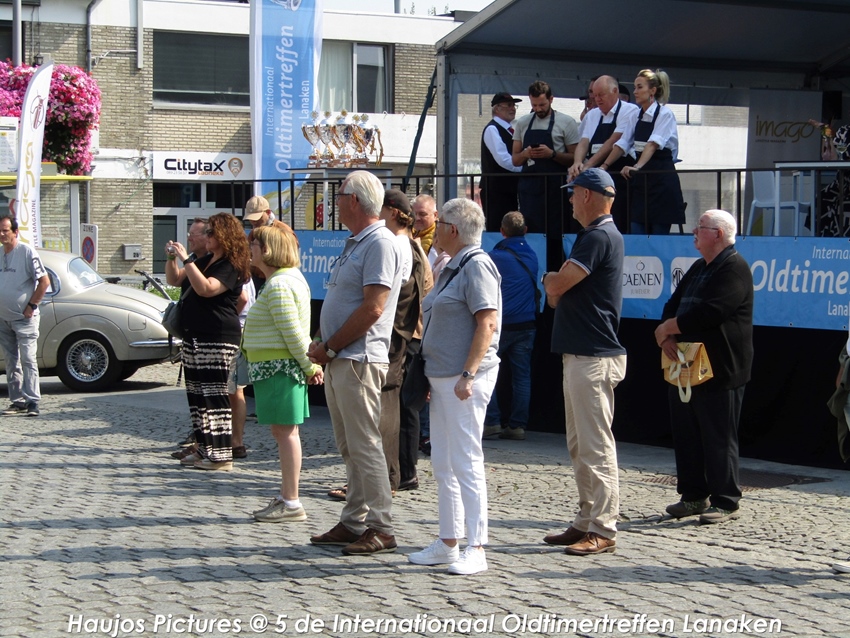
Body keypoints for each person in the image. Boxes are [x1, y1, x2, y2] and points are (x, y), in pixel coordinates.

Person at [307, 170, 403, 556]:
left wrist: (330, 347)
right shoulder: (358, 242)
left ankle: (381, 526)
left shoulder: (380, 242)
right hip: (341, 357)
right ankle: (353, 521)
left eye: (339, 193)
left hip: (358, 358)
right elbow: (345, 300)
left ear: (355, 200)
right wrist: (325, 342)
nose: (334, 200)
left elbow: (373, 308)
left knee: (365, 445)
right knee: (350, 446)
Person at [408, 198, 501, 576]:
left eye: (441, 222)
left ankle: (476, 546)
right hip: (442, 376)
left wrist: (468, 374)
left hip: (463, 379)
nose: (433, 228)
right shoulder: (453, 264)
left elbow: (487, 323)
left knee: (465, 460)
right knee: (443, 462)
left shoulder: (477, 264)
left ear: (454, 229)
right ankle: (449, 541)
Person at [541, 168, 626, 556]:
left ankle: (603, 527)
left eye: (573, 193)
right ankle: (586, 519)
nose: (570, 200)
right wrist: (555, 284)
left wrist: (550, 278)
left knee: (595, 446)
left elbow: (557, 287)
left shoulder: (596, 236)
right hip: (582, 354)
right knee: (580, 445)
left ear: (588, 195)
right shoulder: (597, 236)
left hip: (593, 356)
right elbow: (557, 295)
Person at [655, 209, 753, 524]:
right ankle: (693, 496)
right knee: (687, 434)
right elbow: (672, 304)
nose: (694, 233)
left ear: (719, 234)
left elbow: (712, 313)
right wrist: (667, 334)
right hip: (685, 364)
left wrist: (669, 327)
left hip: (721, 367)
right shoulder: (699, 266)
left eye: (701, 227)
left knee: (718, 436)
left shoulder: (734, 267)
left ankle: (726, 501)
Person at [244, 225, 323, 522]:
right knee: (283, 432)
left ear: (267, 250)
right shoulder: (283, 279)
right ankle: (287, 497)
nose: (250, 250)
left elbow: (292, 332)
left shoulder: (279, 284)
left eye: (254, 245)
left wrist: (310, 366)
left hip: (279, 368)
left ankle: (291, 501)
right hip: (275, 368)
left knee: (286, 433)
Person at [166, 212, 250, 471]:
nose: (207, 236)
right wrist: (171, 258)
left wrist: (186, 259)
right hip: (195, 335)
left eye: (211, 232)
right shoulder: (206, 260)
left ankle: (222, 455)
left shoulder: (230, 265)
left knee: (215, 396)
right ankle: (204, 449)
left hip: (217, 337)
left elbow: (206, 289)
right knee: (198, 397)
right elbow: (175, 279)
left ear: (224, 235)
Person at [380, 189, 431, 492]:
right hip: (410, 334)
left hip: (406, 335)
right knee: (403, 405)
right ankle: (404, 471)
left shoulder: (403, 246)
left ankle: (403, 471)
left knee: (401, 406)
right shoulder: (411, 245)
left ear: (393, 212)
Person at [483, 211, 539, 441]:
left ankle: (492, 422)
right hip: (527, 324)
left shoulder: (493, 257)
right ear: (525, 231)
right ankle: (517, 426)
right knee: (522, 377)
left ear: (502, 231)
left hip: (502, 324)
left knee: (486, 370)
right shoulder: (532, 255)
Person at [610, 69, 685, 235]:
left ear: (652, 90)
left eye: (639, 87)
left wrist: (637, 166)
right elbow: (622, 143)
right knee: (636, 228)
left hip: (661, 178)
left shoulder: (665, 114)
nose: (635, 92)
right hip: (642, 182)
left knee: (658, 234)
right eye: (635, 87)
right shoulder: (635, 115)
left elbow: (652, 144)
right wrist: (603, 166)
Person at [569, 75, 639, 233]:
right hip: (595, 177)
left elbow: (613, 141)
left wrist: (588, 166)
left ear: (615, 91)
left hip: (618, 177)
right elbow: (584, 142)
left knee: (619, 221)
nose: (597, 99)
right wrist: (577, 162)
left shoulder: (630, 111)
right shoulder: (592, 115)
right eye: (594, 95)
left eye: (601, 95)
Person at [511, 80, 580, 234]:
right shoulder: (522, 123)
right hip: (529, 189)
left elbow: (575, 157)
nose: (538, 109)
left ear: (551, 99)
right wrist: (525, 154)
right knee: (531, 231)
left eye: (542, 105)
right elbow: (515, 160)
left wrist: (552, 154)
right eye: (534, 105)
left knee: (556, 231)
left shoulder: (566, 122)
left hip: (555, 189)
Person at [0, 215, 49, 417]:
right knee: (11, 361)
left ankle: (32, 401)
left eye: (5, 230)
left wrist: (31, 305)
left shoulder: (27, 252)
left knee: (28, 359)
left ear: (15, 232)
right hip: (3, 319)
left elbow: (44, 281)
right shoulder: (0, 253)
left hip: (24, 318)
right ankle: (17, 401)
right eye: (0, 231)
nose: (2, 234)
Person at [480, 92, 523, 232]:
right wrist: (524, 169)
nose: (513, 109)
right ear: (497, 108)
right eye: (509, 105)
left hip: (508, 189)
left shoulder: (510, 130)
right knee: (498, 228)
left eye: (514, 105)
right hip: (496, 191)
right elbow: (503, 159)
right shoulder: (492, 129)